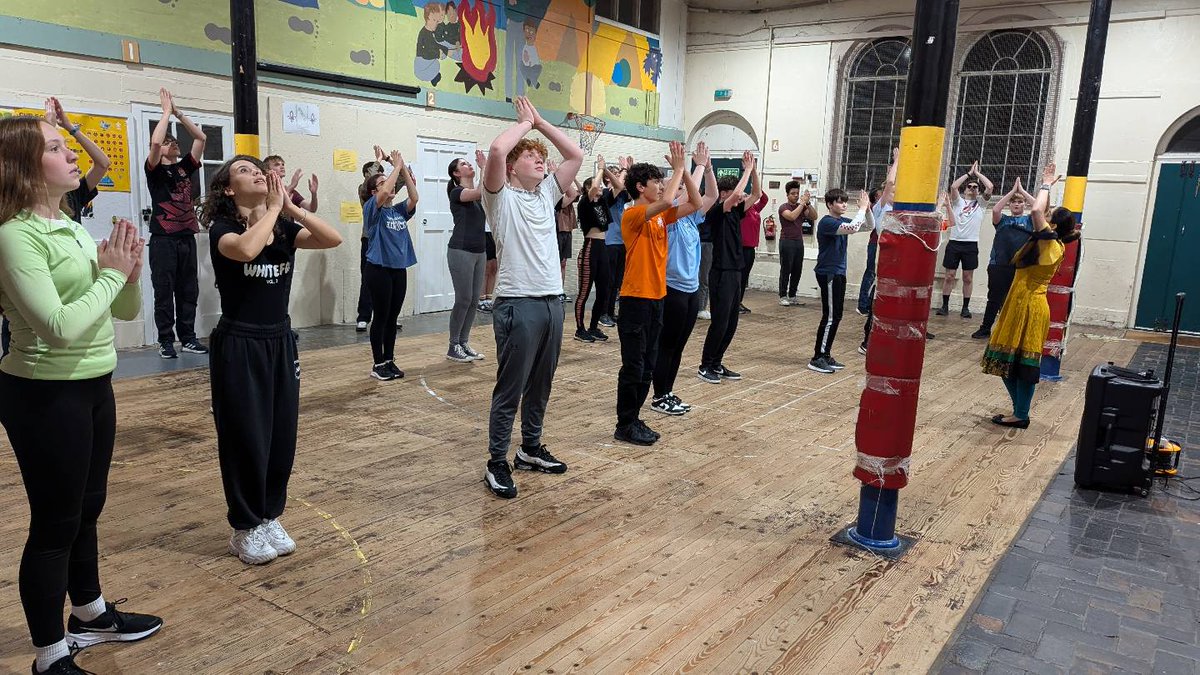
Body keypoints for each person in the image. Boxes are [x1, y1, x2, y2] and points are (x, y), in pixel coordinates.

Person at [0, 115, 162, 675]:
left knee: (87, 508)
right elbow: (57, 327)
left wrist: (130, 274)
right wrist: (112, 275)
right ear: (24, 166)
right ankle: (49, 655)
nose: (72, 155)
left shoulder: (68, 224)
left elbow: (123, 312)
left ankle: (89, 612)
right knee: (55, 523)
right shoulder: (13, 234)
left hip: (95, 383)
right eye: (55, 147)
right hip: (44, 393)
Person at [201, 155, 342, 565]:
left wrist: (293, 209)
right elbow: (246, 250)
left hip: (279, 340)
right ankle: (244, 527)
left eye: (258, 169)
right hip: (240, 343)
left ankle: (268, 516)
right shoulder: (223, 229)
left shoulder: (282, 227)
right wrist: (276, 209)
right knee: (247, 436)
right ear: (228, 189)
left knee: (281, 436)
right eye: (244, 171)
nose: (256, 173)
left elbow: (332, 239)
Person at [481, 96, 583, 499]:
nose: (540, 161)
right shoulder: (498, 197)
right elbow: (495, 150)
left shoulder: (545, 196)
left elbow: (574, 154)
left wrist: (540, 124)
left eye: (542, 159)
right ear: (512, 168)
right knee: (511, 387)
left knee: (541, 383)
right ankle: (496, 461)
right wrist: (523, 125)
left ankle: (530, 448)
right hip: (517, 303)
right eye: (530, 158)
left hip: (551, 302)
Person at [613, 143, 703, 445]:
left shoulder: (662, 218)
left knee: (649, 365)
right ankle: (624, 423)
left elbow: (696, 201)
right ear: (641, 187)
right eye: (656, 181)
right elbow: (667, 200)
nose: (662, 186)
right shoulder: (633, 214)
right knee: (634, 366)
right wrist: (678, 168)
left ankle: (635, 419)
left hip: (656, 299)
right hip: (635, 300)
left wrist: (687, 169)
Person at [983, 163, 1078, 427]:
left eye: (1050, 216)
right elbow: (1041, 209)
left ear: (1054, 224)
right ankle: (1019, 411)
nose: (1044, 216)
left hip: (1029, 305)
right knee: (1003, 360)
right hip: (1020, 302)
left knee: (1021, 365)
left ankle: (1021, 414)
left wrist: (1046, 183)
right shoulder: (1050, 240)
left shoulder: (1049, 242)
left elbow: (1037, 209)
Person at [651, 143, 717, 415]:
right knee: (667, 345)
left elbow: (709, 195)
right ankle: (659, 395)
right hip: (672, 288)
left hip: (690, 290)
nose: (683, 190)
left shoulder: (691, 220)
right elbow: (688, 197)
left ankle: (668, 391)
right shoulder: (666, 216)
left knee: (678, 346)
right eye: (676, 187)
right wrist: (693, 167)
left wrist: (708, 167)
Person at [145, 87, 208, 359]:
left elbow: (200, 136)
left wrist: (179, 113)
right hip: (163, 239)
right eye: (170, 141)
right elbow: (156, 145)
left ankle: (189, 337)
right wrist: (165, 114)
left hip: (186, 237)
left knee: (188, 289)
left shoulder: (185, 168)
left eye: (174, 141)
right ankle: (166, 340)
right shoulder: (155, 169)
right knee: (164, 291)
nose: (173, 144)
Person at [697, 151, 759, 384]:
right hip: (721, 272)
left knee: (731, 322)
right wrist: (747, 171)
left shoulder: (736, 211)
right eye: (735, 192)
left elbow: (756, 193)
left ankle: (716, 362)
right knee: (720, 321)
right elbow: (735, 195)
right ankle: (705, 365)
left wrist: (754, 171)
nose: (740, 196)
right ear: (723, 194)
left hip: (736, 271)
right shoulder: (717, 211)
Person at [360, 150, 419, 381]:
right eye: (383, 183)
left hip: (398, 269)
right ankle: (377, 364)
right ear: (374, 192)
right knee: (381, 317)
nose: (390, 186)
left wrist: (401, 166)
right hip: (378, 269)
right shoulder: (371, 210)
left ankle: (389, 360)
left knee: (392, 319)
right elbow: (385, 190)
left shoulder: (397, 211)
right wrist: (393, 168)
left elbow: (414, 197)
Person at [809, 187, 875, 374]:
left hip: (838, 272)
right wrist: (861, 209)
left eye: (845, 201)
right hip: (828, 272)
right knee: (829, 316)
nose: (844, 204)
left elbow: (869, 226)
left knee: (836, 315)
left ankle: (826, 354)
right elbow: (854, 228)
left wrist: (868, 208)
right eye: (839, 201)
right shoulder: (827, 222)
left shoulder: (841, 220)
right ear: (830, 204)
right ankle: (818, 357)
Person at [973, 178, 1035, 340]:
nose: (1016, 204)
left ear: (1024, 205)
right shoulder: (1003, 221)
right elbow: (995, 210)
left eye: (1019, 202)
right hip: (998, 265)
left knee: (1017, 299)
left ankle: (1014, 330)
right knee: (994, 298)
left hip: (1021, 267)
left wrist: (1021, 191)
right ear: (1009, 205)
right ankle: (986, 328)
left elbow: (1038, 208)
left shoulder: (1029, 220)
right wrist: (1012, 192)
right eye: (1013, 202)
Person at [445, 150, 490, 363]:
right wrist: (484, 167)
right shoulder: (457, 192)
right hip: (460, 251)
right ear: (456, 173)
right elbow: (481, 191)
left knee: (473, 300)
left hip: (479, 251)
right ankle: (453, 345)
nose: (469, 165)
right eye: (464, 164)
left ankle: (463, 342)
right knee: (463, 299)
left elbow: (486, 191)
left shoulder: (476, 197)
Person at [937, 161, 993, 318]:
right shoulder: (958, 202)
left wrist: (978, 174)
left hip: (970, 244)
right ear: (966, 189)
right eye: (970, 187)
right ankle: (945, 305)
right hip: (955, 243)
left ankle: (965, 307)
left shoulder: (981, 203)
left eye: (976, 187)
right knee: (949, 276)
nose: (973, 189)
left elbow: (989, 187)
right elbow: (954, 187)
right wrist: (969, 174)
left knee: (968, 277)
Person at [43, 98, 112, 225]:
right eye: (54, 149)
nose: (73, 156)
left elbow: (103, 164)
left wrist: (70, 127)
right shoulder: (27, 205)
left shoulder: (73, 193)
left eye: (66, 147)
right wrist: (49, 128)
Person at [573, 155, 614, 343]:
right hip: (590, 248)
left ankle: (593, 326)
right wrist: (599, 169)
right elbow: (595, 188)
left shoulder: (603, 203)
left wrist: (606, 171)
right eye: (593, 187)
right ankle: (580, 329)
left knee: (604, 290)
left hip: (602, 248)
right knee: (584, 291)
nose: (597, 190)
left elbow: (619, 188)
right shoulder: (584, 203)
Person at [355, 155, 387, 331]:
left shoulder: (386, 191)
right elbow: (370, 180)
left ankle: (386, 314)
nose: (381, 177)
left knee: (386, 280)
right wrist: (378, 160)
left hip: (386, 240)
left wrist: (391, 160)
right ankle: (364, 316)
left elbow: (402, 179)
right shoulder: (364, 190)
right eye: (376, 172)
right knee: (368, 279)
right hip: (369, 240)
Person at [600, 157, 632, 326]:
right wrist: (622, 171)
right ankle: (603, 313)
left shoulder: (622, 196)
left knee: (617, 282)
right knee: (609, 280)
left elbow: (629, 189)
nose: (620, 177)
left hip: (621, 241)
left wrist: (630, 170)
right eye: (615, 174)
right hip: (609, 241)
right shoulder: (605, 194)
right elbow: (618, 185)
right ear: (607, 178)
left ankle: (611, 312)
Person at [777, 181, 816, 306]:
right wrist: (802, 204)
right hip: (786, 241)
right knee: (786, 269)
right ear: (787, 195)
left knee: (797, 270)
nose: (795, 195)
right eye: (793, 193)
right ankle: (783, 295)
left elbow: (814, 216)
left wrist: (808, 204)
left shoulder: (802, 206)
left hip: (798, 242)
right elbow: (792, 216)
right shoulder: (784, 207)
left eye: (797, 193)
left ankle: (792, 295)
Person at [738, 189, 769, 314]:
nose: (748, 197)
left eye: (748, 195)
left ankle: (739, 301)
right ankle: (735, 302)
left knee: (744, 277)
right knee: (739, 277)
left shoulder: (755, 209)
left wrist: (756, 188)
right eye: (745, 196)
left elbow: (764, 199)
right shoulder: (742, 211)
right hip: (742, 248)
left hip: (751, 248)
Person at [554, 165, 580, 303]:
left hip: (567, 231)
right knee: (556, 262)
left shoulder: (569, 193)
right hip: (558, 230)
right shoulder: (558, 196)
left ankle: (561, 291)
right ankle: (555, 290)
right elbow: (572, 196)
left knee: (563, 263)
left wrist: (574, 178)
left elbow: (580, 191)